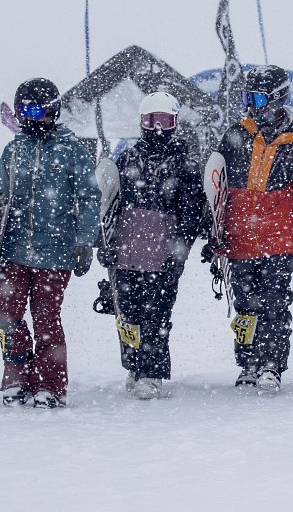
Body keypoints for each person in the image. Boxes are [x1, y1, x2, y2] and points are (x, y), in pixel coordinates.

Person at [202, 65, 293, 394]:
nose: (251, 104)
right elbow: (215, 185)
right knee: (246, 304)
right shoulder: (237, 134)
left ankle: (271, 364)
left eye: (258, 97)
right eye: (248, 97)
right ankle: (248, 362)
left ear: (277, 99)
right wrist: (214, 229)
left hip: (279, 238)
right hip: (240, 236)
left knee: (275, 302)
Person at [0, 77, 100, 408]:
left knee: (46, 319)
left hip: (56, 252)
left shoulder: (71, 151)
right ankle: (17, 375)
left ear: (53, 111)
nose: (32, 119)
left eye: (38, 111)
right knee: (8, 315)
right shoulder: (13, 151)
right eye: (24, 112)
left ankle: (50, 384)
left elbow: (89, 197)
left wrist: (84, 241)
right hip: (14, 250)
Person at [96, 92, 207, 399]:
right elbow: (110, 203)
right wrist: (104, 242)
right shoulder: (128, 157)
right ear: (142, 123)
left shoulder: (185, 162)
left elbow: (191, 214)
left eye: (165, 122)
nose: (158, 129)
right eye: (151, 121)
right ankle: (134, 365)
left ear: (175, 124)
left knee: (156, 315)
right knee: (128, 313)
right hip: (127, 252)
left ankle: (152, 372)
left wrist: (179, 253)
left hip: (163, 254)